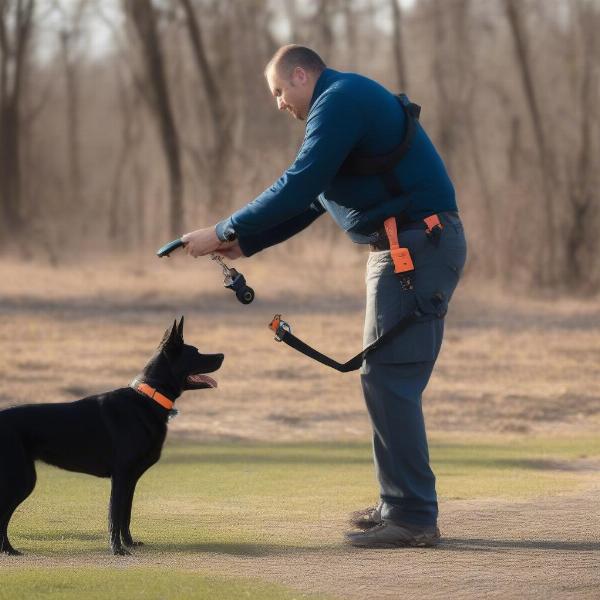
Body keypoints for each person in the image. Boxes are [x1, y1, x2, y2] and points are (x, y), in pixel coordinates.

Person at [182, 45, 467, 548]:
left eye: (278, 91)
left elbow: (299, 183)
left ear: (300, 74)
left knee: (390, 378)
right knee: (382, 377)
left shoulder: (339, 98)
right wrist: (245, 242)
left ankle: (414, 516)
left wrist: (223, 226)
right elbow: (315, 200)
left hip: (417, 247)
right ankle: (397, 503)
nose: (278, 104)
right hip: (406, 248)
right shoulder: (343, 106)